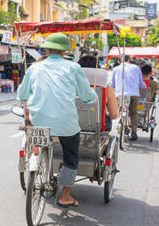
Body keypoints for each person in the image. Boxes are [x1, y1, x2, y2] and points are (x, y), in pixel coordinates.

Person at [17, 33, 97, 207]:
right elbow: (86, 95)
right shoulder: (73, 67)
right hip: (65, 124)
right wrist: (93, 99)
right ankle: (65, 196)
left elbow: (22, 95)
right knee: (71, 156)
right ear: (65, 51)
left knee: (38, 139)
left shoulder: (34, 68)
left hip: (38, 122)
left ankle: (37, 159)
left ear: (46, 48)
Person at [109, 55, 146, 141]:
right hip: (134, 94)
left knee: (118, 111)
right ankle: (134, 132)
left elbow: (112, 84)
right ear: (129, 60)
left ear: (119, 61)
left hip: (120, 94)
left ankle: (118, 127)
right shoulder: (136, 68)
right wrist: (144, 86)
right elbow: (141, 83)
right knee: (133, 113)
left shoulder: (115, 69)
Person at [77, 55, 119, 129]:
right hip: (97, 127)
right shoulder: (107, 88)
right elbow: (114, 115)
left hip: (70, 126)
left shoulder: (69, 86)